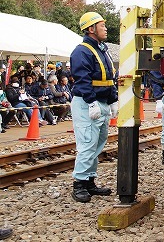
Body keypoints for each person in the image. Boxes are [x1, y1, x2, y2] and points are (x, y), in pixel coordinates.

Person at [69, 12, 118, 203]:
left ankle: (89, 181)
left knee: (97, 144)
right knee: (88, 144)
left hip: (101, 103)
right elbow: (83, 80)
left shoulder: (101, 49)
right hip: (87, 103)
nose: (105, 28)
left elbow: (108, 78)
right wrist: (91, 102)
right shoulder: (82, 51)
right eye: (102, 25)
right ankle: (79, 184)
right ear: (91, 29)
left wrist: (113, 99)